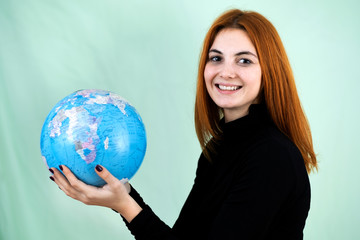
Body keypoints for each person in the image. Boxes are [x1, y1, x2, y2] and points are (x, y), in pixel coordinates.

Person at [49, 9, 317, 240]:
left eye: (244, 60)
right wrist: (124, 197)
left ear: (269, 71)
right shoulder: (220, 147)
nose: (225, 72)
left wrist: (125, 206)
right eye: (216, 58)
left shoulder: (273, 156)